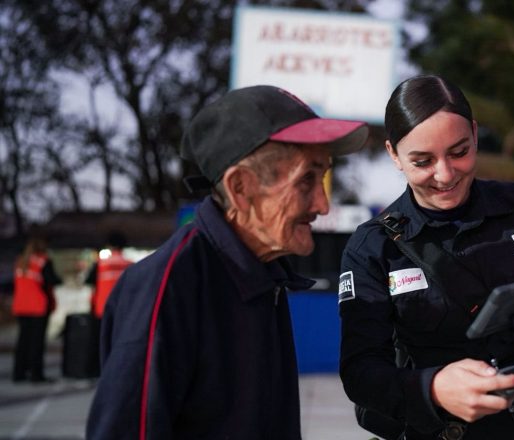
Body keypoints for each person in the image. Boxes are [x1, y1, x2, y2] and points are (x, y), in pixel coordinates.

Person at [86, 85, 369, 439]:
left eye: (322, 177)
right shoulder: (168, 287)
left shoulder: (265, 273)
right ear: (240, 188)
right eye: (306, 180)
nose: (322, 205)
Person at [338, 75, 514, 439]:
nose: (445, 175)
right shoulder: (373, 247)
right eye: (422, 161)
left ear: (474, 134)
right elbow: (361, 372)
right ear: (394, 154)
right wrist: (433, 389)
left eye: (459, 152)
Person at [12, 235, 63, 383]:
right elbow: (51, 279)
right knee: (37, 342)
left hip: (21, 306)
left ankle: (19, 373)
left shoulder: (21, 261)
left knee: (23, 340)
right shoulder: (43, 261)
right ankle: (36, 374)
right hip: (37, 306)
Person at [85, 230, 133, 321]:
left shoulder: (100, 264)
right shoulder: (130, 265)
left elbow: (89, 282)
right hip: (125, 309)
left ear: (109, 245)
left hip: (102, 309)